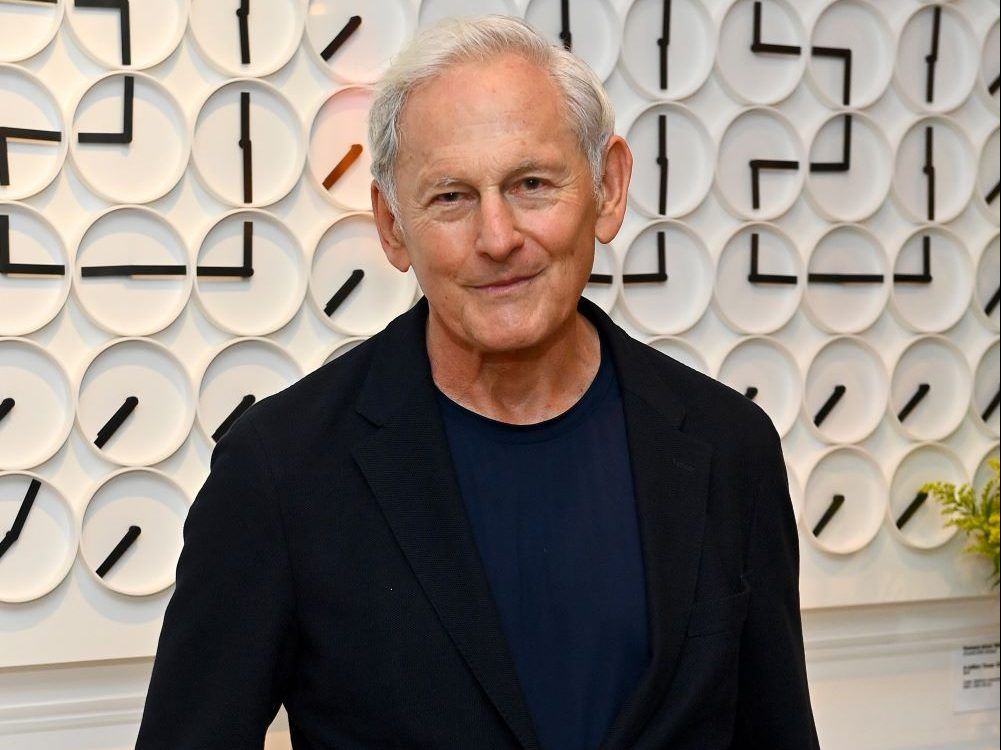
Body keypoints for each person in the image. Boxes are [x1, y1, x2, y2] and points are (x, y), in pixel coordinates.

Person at [136, 15, 819, 750]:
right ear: (391, 226)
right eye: (451, 197)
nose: (497, 238)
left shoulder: (729, 448)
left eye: (531, 184)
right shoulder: (280, 471)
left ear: (609, 187)